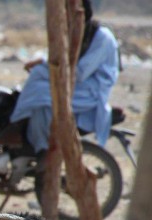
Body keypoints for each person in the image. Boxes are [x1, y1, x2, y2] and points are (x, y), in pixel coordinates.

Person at [8, 0, 119, 157]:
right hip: (75, 83)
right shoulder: (75, 32)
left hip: (90, 90)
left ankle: (17, 125)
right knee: (39, 90)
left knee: (41, 88)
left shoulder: (102, 38)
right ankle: (36, 145)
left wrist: (46, 65)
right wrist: (44, 63)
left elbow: (80, 72)